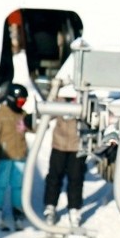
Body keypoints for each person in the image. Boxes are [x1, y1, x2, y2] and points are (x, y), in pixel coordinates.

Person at [0, 82, 31, 231]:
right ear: (12, 99)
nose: (21, 104)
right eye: (20, 101)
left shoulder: (22, 114)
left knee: (18, 184)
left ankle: (17, 207)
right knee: (1, 182)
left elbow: (36, 127)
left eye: (24, 101)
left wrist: (32, 122)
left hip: (20, 155)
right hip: (4, 156)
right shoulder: (1, 113)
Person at [43, 85, 86, 227]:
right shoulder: (59, 99)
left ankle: (74, 209)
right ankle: (50, 206)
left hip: (77, 146)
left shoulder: (83, 100)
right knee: (54, 177)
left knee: (76, 178)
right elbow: (47, 114)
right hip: (59, 145)